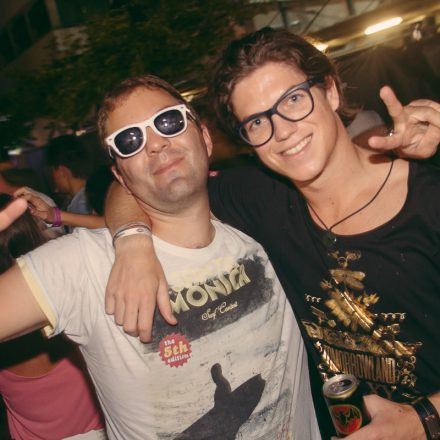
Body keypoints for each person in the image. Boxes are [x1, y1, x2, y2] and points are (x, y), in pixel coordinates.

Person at [103, 28, 440, 440]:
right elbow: (135, 183)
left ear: (331, 91)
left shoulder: (429, 201)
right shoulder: (260, 199)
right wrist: (132, 241)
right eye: (258, 121)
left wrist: (421, 421)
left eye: (293, 99)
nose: (282, 131)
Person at [0, 75, 321, 440]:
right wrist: (130, 240)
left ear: (205, 138)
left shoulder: (262, 220)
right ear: (121, 176)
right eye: (129, 140)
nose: (155, 144)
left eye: (169, 121)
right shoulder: (82, 264)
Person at [0, 193, 106, 440]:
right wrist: (57, 216)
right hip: (101, 431)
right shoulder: (68, 285)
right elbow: (120, 232)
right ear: (32, 231)